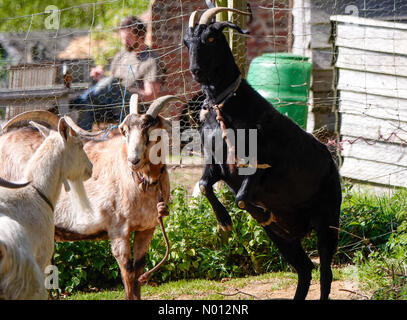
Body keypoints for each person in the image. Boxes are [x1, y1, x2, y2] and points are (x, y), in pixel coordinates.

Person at [71, 16, 165, 130]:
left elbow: (151, 95)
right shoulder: (121, 56)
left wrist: (124, 89)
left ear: (140, 36)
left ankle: (79, 100)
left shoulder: (151, 60)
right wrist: (101, 77)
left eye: (129, 38)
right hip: (112, 104)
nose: (124, 42)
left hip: (133, 107)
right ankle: (83, 139)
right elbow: (110, 85)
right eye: (122, 38)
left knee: (112, 83)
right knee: (88, 105)